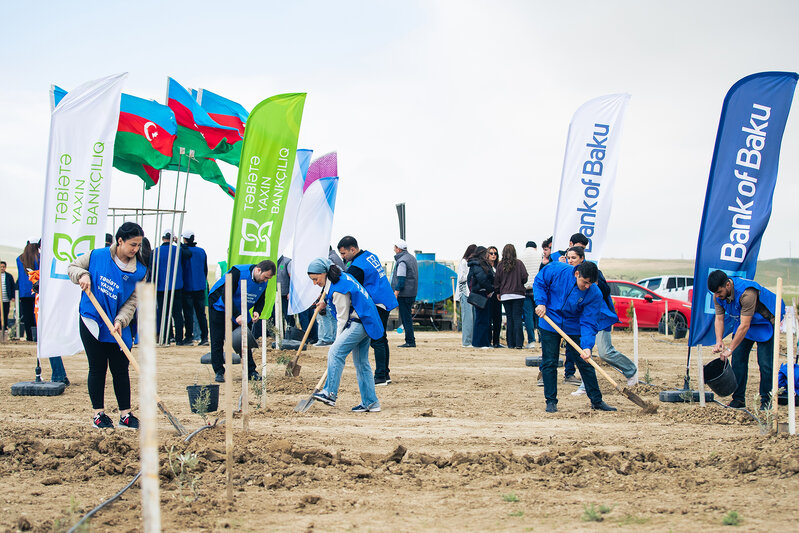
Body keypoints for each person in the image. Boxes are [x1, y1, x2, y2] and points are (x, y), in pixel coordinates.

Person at [68, 222, 148, 428]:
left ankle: (126, 415)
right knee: (97, 368)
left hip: (118, 324)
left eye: (138, 245)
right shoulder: (97, 255)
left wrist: (120, 320)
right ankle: (99, 415)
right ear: (119, 241)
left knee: (121, 369)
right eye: (132, 244)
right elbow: (73, 267)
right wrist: (83, 275)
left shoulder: (140, 271)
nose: (135, 250)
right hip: (92, 319)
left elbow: (132, 301)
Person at [534, 260, 618, 413]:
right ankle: (551, 401)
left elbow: (589, 321)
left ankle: (596, 401)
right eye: (585, 282)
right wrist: (541, 302)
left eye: (591, 283)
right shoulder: (557, 270)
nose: (587, 286)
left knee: (585, 361)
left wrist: (586, 346)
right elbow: (539, 282)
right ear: (577, 273)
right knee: (550, 361)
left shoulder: (594, 293)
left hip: (573, 325)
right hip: (550, 319)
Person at [308, 258, 383, 412]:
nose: (315, 283)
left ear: (325, 273)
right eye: (312, 280)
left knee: (335, 352)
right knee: (362, 363)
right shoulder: (341, 278)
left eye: (316, 279)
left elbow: (342, 319)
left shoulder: (338, 289)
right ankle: (371, 402)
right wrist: (325, 303)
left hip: (359, 322)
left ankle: (329, 393)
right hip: (367, 320)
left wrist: (337, 342)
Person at [564, 246, 639, 396]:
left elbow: (605, 291)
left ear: (581, 259)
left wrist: (594, 284)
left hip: (600, 318)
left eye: (574, 258)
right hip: (582, 322)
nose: (570, 261)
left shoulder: (593, 274)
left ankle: (631, 371)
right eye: (568, 258)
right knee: (584, 352)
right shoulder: (568, 276)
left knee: (605, 352)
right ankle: (586, 385)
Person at [709, 270, 785, 409]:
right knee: (738, 361)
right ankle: (738, 400)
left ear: (727, 285)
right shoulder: (717, 296)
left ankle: (766, 401)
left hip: (765, 322)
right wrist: (719, 340)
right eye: (715, 293)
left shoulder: (747, 294)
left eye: (719, 292)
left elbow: (745, 326)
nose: (717, 296)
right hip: (744, 321)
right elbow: (719, 319)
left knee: (765, 364)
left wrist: (730, 349)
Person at [338, 236, 398, 386]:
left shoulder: (357, 267)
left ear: (352, 249)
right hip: (386, 298)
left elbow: (347, 288)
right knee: (382, 338)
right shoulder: (370, 255)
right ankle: (385, 374)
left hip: (378, 303)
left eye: (344, 254)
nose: (343, 257)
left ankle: (380, 377)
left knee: (377, 339)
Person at [207, 260, 276, 383]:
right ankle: (219, 371)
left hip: (239, 309)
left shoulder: (263, 281)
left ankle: (251, 371)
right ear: (258, 270)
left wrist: (257, 311)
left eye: (268, 279)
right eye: (265, 277)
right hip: (219, 306)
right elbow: (226, 295)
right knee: (217, 339)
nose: (265, 281)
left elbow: (261, 299)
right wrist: (237, 315)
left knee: (244, 341)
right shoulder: (238, 272)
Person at [151, 229, 191, 345]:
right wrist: (178, 242)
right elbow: (188, 254)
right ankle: (179, 339)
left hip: (160, 287)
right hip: (176, 286)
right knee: (177, 313)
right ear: (172, 238)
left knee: (163, 313)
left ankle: (165, 338)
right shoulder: (177, 250)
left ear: (162, 238)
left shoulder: (156, 252)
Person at [494, 244, 528, 349]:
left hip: (505, 295)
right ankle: (518, 343)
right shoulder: (519, 263)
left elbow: (497, 280)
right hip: (518, 294)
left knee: (509, 319)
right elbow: (524, 278)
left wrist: (498, 292)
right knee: (517, 318)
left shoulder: (500, 265)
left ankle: (510, 343)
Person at [180, 230, 209, 346]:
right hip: (200, 286)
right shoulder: (201, 251)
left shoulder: (183, 251)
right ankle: (204, 337)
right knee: (201, 314)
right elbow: (205, 269)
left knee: (188, 314)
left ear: (185, 239)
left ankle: (189, 337)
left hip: (187, 287)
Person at [315, 246, 346, 346]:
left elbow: (328, 278)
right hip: (333, 290)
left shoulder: (330, 259)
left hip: (331, 291)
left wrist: (323, 294)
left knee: (325, 315)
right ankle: (333, 338)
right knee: (332, 316)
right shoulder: (335, 257)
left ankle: (327, 338)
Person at [391, 239, 418, 348]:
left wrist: (396, 293)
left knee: (406, 318)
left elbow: (401, 279)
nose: (393, 249)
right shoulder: (411, 258)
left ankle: (410, 341)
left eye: (394, 247)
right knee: (408, 317)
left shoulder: (402, 261)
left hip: (404, 294)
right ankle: (410, 340)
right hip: (412, 292)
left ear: (398, 249)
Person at [467, 246, 494, 349]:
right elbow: (482, 279)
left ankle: (482, 342)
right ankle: (480, 343)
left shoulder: (475, 264)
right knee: (482, 319)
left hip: (480, 292)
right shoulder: (478, 265)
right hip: (482, 293)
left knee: (482, 319)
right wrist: (491, 289)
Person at [518, 241, 540, 348]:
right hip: (537, 289)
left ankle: (531, 341)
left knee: (528, 316)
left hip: (525, 289)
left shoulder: (520, 256)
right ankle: (542, 339)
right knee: (541, 314)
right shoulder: (539, 255)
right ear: (535, 247)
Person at [17, 241, 39, 341]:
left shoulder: (19, 259)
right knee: (37, 312)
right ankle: (37, 335)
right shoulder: (39, 258)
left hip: (24, 291)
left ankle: (29, 336)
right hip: (36, 289)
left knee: (26, 314)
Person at [456, 244, 477, 347]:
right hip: (464, 292)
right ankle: (466, 341)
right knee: (467, 318)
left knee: (472, 318)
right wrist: (471, 274)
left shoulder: (472, 263)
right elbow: (460, 278)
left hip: (471, 293)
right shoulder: (464, 262)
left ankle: (471, 340)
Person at [486, 246, 504, 348]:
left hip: (497, 295)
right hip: (489, 295)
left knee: (498, 319)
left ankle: (496, 341)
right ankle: (488, 340)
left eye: (495, 253)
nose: (493, 255)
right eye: (491, 253)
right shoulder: (486, 267)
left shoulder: (498, 267)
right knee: (489, 319)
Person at [1, 260, 15, 333]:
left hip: (6, 299)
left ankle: (5, 328)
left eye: (3, 267)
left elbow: (13, 287)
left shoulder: (9, 276)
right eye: (1, 267)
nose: (2, 268)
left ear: (5, 267)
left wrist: (13, 297)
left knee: (6, 313)